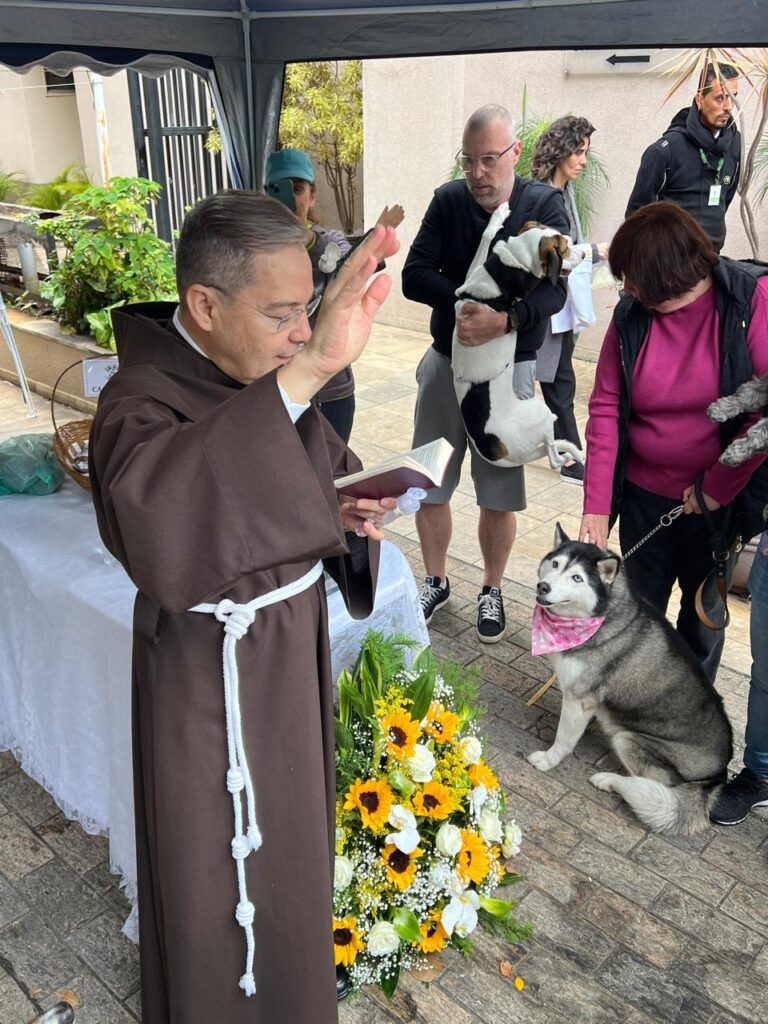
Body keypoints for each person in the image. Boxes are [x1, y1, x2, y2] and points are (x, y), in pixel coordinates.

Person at [88, 191, 399, 1024]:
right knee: (212, 884)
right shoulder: (139, 398)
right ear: (204, 305)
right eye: (282, 315)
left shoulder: (251, 368)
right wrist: (306, 375)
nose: (302, 334)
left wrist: (340, 507)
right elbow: (159, 530)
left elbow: (298, 472)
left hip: (285, 670)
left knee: (290, 869)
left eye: (309, 311)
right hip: (206, 687)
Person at [580, 202, 768, 683]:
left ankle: (687, 723)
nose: (627, 291)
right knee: (637, 616)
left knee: (701, 624)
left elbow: (762, 415)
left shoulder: (749, 303)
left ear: (668, 275)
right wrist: (596, 507)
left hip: (716, 503)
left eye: (634, 281)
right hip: (645, 495)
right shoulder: (632, 315)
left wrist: (715, 489)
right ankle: (635, 713)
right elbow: (605, 408)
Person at [402, 103, 568, 642]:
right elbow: (413, 274)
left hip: (508, 375)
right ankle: (435, 579)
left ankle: (492, 588)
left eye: (489, 159)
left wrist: (507, 319)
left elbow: (556, 288)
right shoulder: (449, 201)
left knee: (498, 492)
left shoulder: (543, 203)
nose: (477, 173)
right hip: (444, 365)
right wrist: (465, 303)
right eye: (468, 161)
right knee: (430, 484)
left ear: (515, 153)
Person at [531, 115, 609, 485]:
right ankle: (570, 459)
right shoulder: (541, 194)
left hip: (560, 304)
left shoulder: (566, 193)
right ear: (560, 151)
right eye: (577, 152)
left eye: (585, 153)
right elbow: (549, 252)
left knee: (557, 380)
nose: (582, 160)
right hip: (543, 305)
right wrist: (594, 251)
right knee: (558, 382)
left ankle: (561, 451)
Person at [265, 147, 356, 441]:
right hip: (276, 385)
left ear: (313, 196)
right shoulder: (253, 252)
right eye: (280, 188)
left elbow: (347, 269)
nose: (291, 198)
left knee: (333, 477)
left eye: (299, 188)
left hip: (331, 390)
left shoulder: (330, 244)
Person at [625, 61, 740, 254]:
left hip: (712, 260)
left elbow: (724, 199)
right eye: (720, 98)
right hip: (671, 265)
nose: (728, 106)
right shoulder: (665, 151)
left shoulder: (734, 142)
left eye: (733, 98)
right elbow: (637, 217)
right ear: (699, 100)